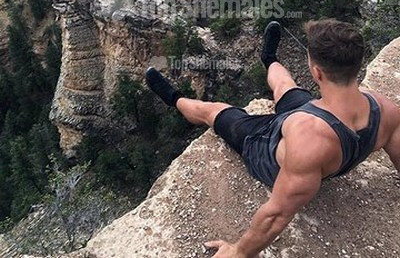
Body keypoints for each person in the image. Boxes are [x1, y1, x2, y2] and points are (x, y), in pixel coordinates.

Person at [146, 19, 400, 258]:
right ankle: (269, 58)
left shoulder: (309, 139)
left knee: (214, 111)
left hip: (265, 146)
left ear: (317, 72)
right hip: (318, 115)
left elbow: (276, 214)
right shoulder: (385, 108)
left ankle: (174, 99)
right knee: (286, 87)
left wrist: (239, 252)